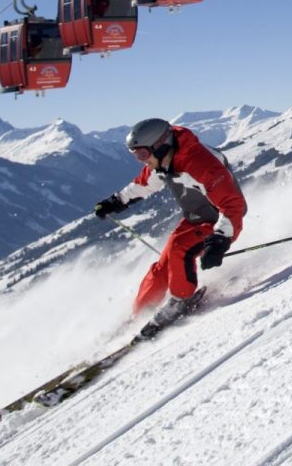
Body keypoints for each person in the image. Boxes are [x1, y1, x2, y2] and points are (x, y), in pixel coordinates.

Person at [93, 118, 247, 330]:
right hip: (195, 217)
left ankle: (180, 301)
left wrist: (220, 239)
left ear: (160, 145)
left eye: (142, 154)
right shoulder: (163, 160)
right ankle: (139, 315)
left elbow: (233, 205)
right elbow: (143, 185)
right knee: (162, 267)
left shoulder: (200, 164)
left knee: (179, 249)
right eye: (135, 155)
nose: (141, 160)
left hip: (219, 219)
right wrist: (115, 202)